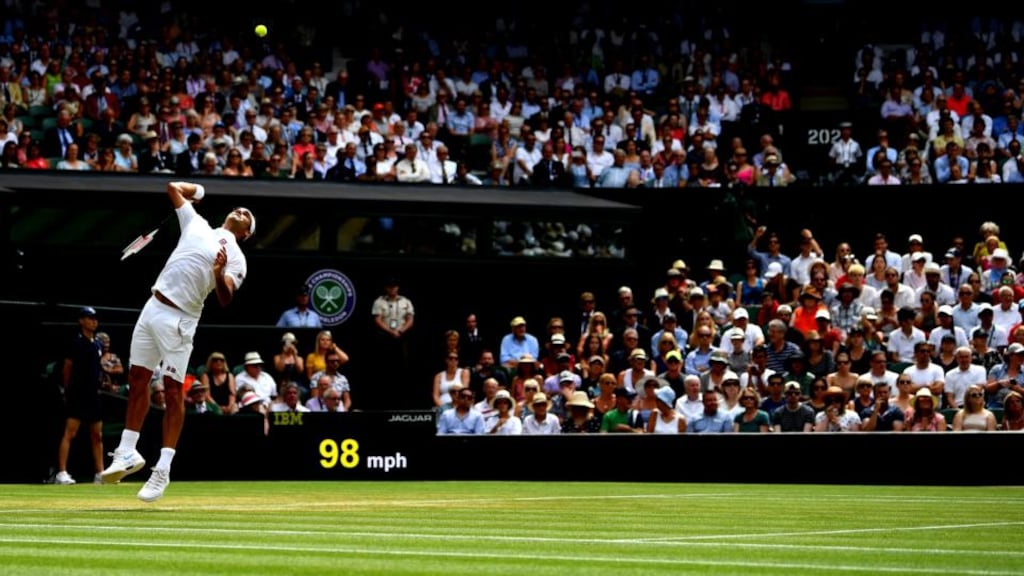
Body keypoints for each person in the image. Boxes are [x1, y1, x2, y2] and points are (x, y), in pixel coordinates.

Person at [100, 181, 253, 503]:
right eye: (238, 209)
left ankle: (163, 469)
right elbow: (172, 188)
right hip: (153, 307)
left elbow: (225, 298)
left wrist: (218, 272)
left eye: (247, 215)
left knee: (172, 391)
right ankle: (127, 452)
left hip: (181, 320)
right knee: (137, 379)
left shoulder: (237, 258)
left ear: (246, 233)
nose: (240, 212)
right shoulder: (195, 222)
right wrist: (198, 190)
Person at [55, 307, 104, 485]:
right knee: (70, 433)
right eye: (89, 318)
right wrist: (68, 390)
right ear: (81, 321)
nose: (93, 321)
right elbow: (67, 368)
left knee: (97, 435)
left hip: (94, 395)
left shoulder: (98, 343)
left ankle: (100, 473)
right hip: (78, 394)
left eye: (95, 318)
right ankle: (62, 473)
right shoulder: (75, 342)